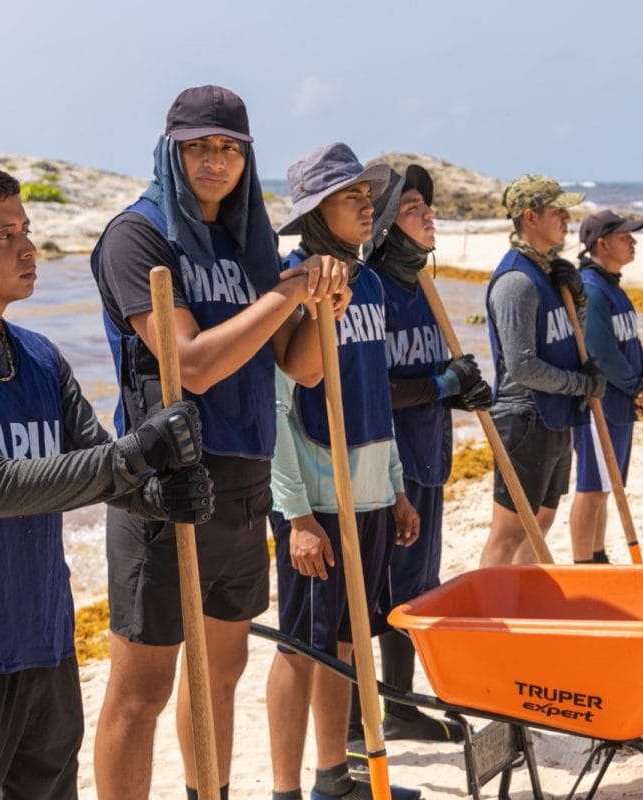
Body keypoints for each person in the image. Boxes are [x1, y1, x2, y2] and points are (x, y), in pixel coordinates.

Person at [0, 163, 213, 799]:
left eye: (27, 229)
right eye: (4, 237)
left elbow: (100, 467)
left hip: (42, 628)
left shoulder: (40, 355)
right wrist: (139, 454)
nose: (30, 249)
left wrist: (157, 495)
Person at [90, 86, 350, 800]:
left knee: (220, 676)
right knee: (142, 690)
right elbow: (192, 364)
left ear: (245, 156)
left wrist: (323, 305)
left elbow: (297, 365)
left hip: (242, 478)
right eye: (199, 147)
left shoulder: (250, 240)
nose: (214, 161)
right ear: (172, 149)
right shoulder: (136, 236)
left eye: (228, 148)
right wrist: (288, 292)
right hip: (163, 482)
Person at [266, 142, 422, 800]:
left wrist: (396, 486)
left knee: (348, 639)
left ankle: (335, 776)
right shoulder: (288, 283)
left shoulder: (375, 283)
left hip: (369, 492)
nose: (367, 206)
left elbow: (371, 391)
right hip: (315, 496)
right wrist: (296, 514)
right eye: (350, 197)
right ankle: (283, 788)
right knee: (300, 646)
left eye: (367, 195)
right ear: (313, 212)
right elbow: (281, 399)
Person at [344, 164, 488, 753]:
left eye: (428, 207)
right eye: (411, 208)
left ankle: (400, 707)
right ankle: (355, 724)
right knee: (377, 595)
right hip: (385, 470)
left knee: (415, 589)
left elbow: (428, 378)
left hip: (428, 459)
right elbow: (372, 388)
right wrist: (440, 384)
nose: (428, 215)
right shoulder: (372, 291)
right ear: (382, 225)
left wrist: (460, 393)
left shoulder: (422, 289)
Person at [481, 174, 606, 567]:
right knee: (510, 532)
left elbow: (570, 335)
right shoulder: (517, 280)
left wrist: (580, 299)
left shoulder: (551, 273)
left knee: (543, 519)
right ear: (531, 217)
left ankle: (524, 603)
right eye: (558, 211)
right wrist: (579, 384)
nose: (567, 218)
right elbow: (521, 366)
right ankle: (492, 616)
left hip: (554, 414)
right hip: (524, 417)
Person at [568, 210, 643, 563]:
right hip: (599, 404)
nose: (633, 242)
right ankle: (582, 563)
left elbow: (630, 342)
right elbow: (600, 351)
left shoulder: (614, 287)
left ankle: (598, 554)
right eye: (625, 237)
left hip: (622, 402)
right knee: (591, 488)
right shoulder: (591, 289)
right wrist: (637, 386)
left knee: (606, 487)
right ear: (602, 244)